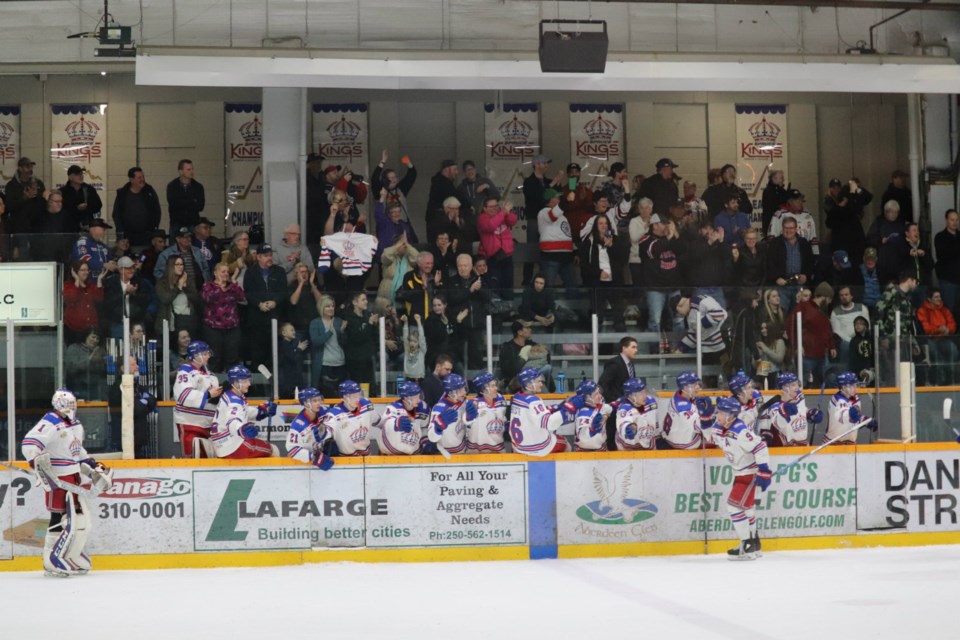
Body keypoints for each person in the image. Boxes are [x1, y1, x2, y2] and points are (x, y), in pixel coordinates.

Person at [21, 388, 112, 577]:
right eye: (68, 404)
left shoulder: (75, 424)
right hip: (58, 477)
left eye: (73, 404)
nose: (72, 407)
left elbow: (77, 451)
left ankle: (71, 554)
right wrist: (38, 465)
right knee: (58, 517)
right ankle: (50, 557)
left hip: (74, 475)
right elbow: (29, 444)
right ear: (58, 404)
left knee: (76, 517)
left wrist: (90, 464)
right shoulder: (50, 422)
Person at [712, 396, 771, 561]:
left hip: (748, 474)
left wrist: (764, 470)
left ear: (731, 415)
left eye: (721, 413)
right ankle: (754, 544)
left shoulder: (740, 431)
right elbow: (713, 437)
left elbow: (760, 446)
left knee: (734, 508)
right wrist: (703, 420)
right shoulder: (719, 427)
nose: (718, 415)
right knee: (747, 509)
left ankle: (746, 545)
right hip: (739, 473)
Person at [210, 365, 278, 459]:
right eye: (246, 381)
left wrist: (261, 411)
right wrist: (242, 429)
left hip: (223, 445)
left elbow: (242, 411)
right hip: (234, 447)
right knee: (273, 450)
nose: (249, 384)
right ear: (236, 383)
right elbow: (232, 421)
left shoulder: (229, 394)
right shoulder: (235, 401)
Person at [173, 340, 222, 457]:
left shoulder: (211, 375)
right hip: (190, 423)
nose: (208, 356)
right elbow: (183, 395)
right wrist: (208, 395)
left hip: (208, 424)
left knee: (208, 457)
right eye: (204, 354)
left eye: (207, 353)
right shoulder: (185, 371)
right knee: (193, 457)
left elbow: (212, 397)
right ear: (195, 356)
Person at [507, 367, 572, 456]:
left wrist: (553, 408)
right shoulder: (534, 401)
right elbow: (550, 423)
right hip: (537, 448)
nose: (541, 384)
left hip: (519, 446)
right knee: (565, 443)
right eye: (538, 381)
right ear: (529, 384)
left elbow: (531, 412)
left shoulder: (516, 397)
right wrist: (568, 409)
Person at [243, 243, 288, 369]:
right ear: (258, 257)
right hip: (257, 321)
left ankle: (276, 385)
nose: (269, 258)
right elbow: (248, 293)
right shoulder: (250, 272)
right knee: (258, 355)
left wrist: (275, 302)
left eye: (270, 255)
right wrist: (259, 304)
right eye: (266, 255)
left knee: (275, 354)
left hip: (275, 319)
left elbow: (284, 291)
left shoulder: (279, 272)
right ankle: (258, 386)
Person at [785, 283, 837, 388]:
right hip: (807, 354)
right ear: (824, 297)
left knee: (827, 380)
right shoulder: (803, 307)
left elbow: (827, 329)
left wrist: (831, 345)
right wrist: (797, 345)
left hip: (822, 354)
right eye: (829, 299)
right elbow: (790, 325)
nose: (830, 302)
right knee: (802, 382)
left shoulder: (823, 310)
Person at [199, 262, 244, 373]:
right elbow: (207, 298)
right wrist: (219, 286)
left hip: (231, 328)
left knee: (232, 357)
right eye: (222, 271)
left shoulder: (232, 287)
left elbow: (241, 297)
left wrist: (233, 281)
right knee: (215, 357)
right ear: (215, 273)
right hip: (213, 328)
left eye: (227, 272)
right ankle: (214, 385)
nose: (225, 274)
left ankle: (232, 385)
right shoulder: (208, 286)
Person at [757, 372, 822, 447]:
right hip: (787, 452)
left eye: (797, 384)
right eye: (793, 385)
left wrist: (811, 413)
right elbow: (779, 424)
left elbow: (802, 411)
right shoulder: (775, 408)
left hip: (804, 448)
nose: (797, 388)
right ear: (784, 387)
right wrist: (785, 411)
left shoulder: (799, 399)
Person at [322, 380, 380, 456]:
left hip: (367, 457)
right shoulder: (334, 414)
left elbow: (379, 421)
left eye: (358, 395)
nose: (357, 399)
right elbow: (325, 432)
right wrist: (321, 433)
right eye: (353, 396)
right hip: (346, 460)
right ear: (343, 398)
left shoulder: (366, 405)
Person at [371, 149, 418, 239]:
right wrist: (383, 162)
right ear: (385, 179)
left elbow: (412, 175)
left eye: (395, 177)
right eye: (391, 178)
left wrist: (408, 163)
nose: (394, 180)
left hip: (402, 225)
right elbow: (374, 179)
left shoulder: (401, 189)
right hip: (387, 227)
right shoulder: (380, 191)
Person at [476, 196, 518, 297]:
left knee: (508, 285)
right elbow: (491, 226)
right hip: (492, 257)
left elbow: (513, 221)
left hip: (506, 255)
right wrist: (503, 213)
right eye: (491, 207)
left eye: (496, 206)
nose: (494, 208)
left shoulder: (501, 215)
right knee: (495, 285)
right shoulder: (482, 218)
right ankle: (496, 310)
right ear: (484, 208)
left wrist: (507, 212)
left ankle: (508, 308)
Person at [824, 177, 872, 266]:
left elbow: (868, 198)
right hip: (843, 248)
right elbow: (830, 222)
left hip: (854, 248)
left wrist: (856, 189)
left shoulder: (846, 210)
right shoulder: (837, 209)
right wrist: (854, 192)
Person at [375, 380, 430, 456]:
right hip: (391, 456)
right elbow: (385, 423)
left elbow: (425, 427)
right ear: (406, 399)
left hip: (413, 454)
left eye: (418, 396)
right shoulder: (393, 409)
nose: (419, 400)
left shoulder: (423, 408)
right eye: (415, 397)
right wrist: (395, 423)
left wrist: (425, 442)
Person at [917, 288, 959, 386]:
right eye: (936, 297)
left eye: (939, 297)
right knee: (935, 354)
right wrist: (938, 329)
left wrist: (948, 329)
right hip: (930, 339)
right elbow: (925, 328)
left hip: (943, 339)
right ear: (929, 299)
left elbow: (952, 323)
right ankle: (935, 380)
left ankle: (950, 378)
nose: (939, 299)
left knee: (953, 351)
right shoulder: (922, 311)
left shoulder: (944, 310)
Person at [285, 387, 334, 469]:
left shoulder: (324, 411)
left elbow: (339, 418)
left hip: (321, 452)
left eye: (319, 399)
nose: (318, 403)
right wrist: (314, 458)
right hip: (304, 466)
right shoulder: (298, 425)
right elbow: (292, 450)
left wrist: (328, 430)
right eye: (315, 401)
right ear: (305, 403)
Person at [537, 188, 577, 288]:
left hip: (566, 257)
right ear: (550, 199)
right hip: (551, 257)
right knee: (547, 287)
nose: (559, 199)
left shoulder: (562, 216)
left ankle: (573, 303)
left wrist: (575, 251)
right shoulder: (543, 212)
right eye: (557, 197)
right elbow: (552, 216)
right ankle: (546, 304)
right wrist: (566, 201)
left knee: (572, 286)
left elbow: (567, 235)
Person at [112, 166, 162, 248]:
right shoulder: (122, 194)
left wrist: (153, 229)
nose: (142, 179)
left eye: (143, 177)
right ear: (131, 180)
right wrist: (121, 233)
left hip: (147, 235)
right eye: (139, 177)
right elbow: (116, 214)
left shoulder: (149, 191)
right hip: (127, 236)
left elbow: (157, 211)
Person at [663, 372, 714, 449]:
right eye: (694, 385)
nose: (697, 386)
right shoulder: (684, 409)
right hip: (683, 443)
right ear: (685, 387)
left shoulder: (679, 394)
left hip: (672, 434)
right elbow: (703, 427)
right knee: (716, 440)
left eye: (697, 383)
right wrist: (706, 416)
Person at [824, 371, 878, 445]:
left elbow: (855, 418)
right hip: (833, 443)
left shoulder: (855, 398)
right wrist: (850, 414)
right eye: (852, 385)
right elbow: (842, 417)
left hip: (850, 444)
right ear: (843, 387)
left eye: (855, 385)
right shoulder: (836, 400)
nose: (855, 388)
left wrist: (866, 421)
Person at [155, 255, 201, 337]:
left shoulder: (188, 280)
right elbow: (165, 299)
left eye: (182, 264)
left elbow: (196, 299)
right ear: (171, 266)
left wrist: (185, 287)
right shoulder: (162, 283)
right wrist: (178, 287)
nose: (180, 267)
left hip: (188, 319)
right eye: (177, 264)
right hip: (171, 321)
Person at [309, 294, 346, 397]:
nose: (331, 308)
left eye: (332, 306)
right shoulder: (315, 323)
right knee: (325, 396)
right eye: (328, 306)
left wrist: (342, 332)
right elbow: (315, 342)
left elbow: (345, 343)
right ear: (322, 307)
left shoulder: (339, 321)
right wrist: (329, 332)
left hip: (340, 363)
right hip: (324, 364)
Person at [341, 291, 378, 392]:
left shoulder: (368, 315)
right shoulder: (349, 318)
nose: (366, 302)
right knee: (357, 387)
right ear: (355, 302)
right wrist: (369, 324)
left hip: (367, 357)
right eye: (363, 300)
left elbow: (374, 336)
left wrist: (374, 325)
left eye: (366, 299)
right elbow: (356, 338)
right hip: (355, 359)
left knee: (370, 386)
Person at [673, 292, 728, 359]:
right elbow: (695, 334)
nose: (680, 315)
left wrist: (701, 325)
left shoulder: (701, 301)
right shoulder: (690, 313)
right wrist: (681, 348)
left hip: (722, 344)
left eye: (678, 313)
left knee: (725, 365)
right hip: (708, 350)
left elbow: (718, 313)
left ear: (679, 307)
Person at [462, 371, 507, 453]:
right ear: (483, 389)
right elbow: (467, 422)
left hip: (498, 451)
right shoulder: (473, 404)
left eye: (495, 385)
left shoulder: (501, 399)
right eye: (493, 386)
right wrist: (469, 417)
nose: (496, 388)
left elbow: (503, 420)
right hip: (476, 453)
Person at [63, 260, 106, 344]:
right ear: (75, 271)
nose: (86, 272)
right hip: (73, 330)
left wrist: (99, 280)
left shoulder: (90, 285)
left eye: (87, 270)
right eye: (82, 270)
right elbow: (71, 298)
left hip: (90, 330)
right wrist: (76, 280)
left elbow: (99, 299)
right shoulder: (68, 285)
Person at [614, 377, 658, 450]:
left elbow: (654, 422)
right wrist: (628, 428)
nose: (644, 396)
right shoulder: (624, 409)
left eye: (644, 391)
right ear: (630, 396)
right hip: (628, 448)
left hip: (648, 445)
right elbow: (623, 425)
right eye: (640, 394)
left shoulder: (651, 402)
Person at [64, 329, 108, 401]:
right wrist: (90, 360)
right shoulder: (74, 348)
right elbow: (70, 368)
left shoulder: (100, 351)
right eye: (93, 337)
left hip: (96, 389)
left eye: (97, 338)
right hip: (78, 388)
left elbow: (105, 371)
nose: (95, 340)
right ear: (86, 337)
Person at [166, 159, 205, 237]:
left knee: (193, 247)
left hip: (193, 223)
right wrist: (192, 201)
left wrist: (182, 201)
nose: (191, 172)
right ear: (180, 171)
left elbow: (200, 206)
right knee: (175, 247)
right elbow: (173, 204)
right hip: (176, 223)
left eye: (192, 169)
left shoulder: (198, 187)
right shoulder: (172, 186)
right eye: (188, 169)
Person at [572, 379, 614, 452]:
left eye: (599, 392)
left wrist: (605, 415)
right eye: (596, 394)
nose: (600, 396)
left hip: (600, 448)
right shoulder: (583, 414)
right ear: (587, 397)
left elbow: (607, 408)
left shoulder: (596, 404)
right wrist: (592, 429)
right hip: (583, 452)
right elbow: (585, 441)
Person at [935, 209, 960, 315]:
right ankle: (951, 332)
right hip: (948, 280)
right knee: (949, 310)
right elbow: (944, 255)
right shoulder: (940, 237)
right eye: (952, 220)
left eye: (957, 220)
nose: (955, 222)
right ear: (946, 221)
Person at [599, 336, 638, 403]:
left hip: (628, 404)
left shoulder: (630, 364)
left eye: (636, 348)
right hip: (616, 406)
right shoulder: (614, 364)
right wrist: (614, 401)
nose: (636, 350)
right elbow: (603, 385)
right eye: (633, 347)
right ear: (624, 348)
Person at [278, 322, 308, 399]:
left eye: (294, 330)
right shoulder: (283, 345)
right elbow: (292, 358)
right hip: (288, 382)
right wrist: (299, 349)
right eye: (291, 330)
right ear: (284, 333)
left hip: (293, 381)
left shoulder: (291, 345)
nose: (294, 332)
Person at [761, 169, 788, 235]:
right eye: (781, 177)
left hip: (781, 221)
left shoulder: (781, 190)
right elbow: (775, 205)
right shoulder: (769, 191)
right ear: (774, 178)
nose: (783, 179)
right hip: (771, 222)